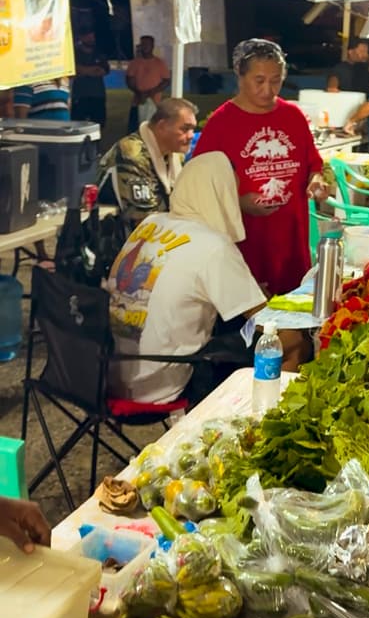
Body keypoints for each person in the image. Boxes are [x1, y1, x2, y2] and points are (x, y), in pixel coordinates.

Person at [107, 152, 267, 404]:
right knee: (283, 342)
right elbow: (264, 320)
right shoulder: (213, 246)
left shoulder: (151, 222)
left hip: (109, 375)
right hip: (162, 383)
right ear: (221, 195)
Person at [193, 38, 329, 297]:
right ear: (239, 76)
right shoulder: (221, 123)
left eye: (276, 80)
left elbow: (313, 163)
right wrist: (239, 202)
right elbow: (199, 186)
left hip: (291, 242)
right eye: (259, 80)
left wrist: (316, 180)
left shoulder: (293, 116)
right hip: (246, 246)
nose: (268, 89)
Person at [97, 97, 198, 227]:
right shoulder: (132, 153)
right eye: (185, 129)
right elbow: (143, 219)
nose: (191, 136)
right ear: (162, 126)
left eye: (193, 129)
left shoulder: (176, 155)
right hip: (118, 239)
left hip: (159, 232)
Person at [125, 35, 171, 133]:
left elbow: (166, 81)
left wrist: (151, 93)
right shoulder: (135, 63)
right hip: (137, 101)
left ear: (152, 46)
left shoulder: (159, 63)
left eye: (147, 44)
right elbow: (129, 80)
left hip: (155, 103)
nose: (145, 47)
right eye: (143, 44)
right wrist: (139, 93)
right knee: (135, 131)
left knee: (153, 131)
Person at [71, 30, 110, 125]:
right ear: (82, 37)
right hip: (80, 95)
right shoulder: (75, 53)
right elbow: (73, 70)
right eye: (89, 37)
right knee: (78, 124)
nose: (91, 40)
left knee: (98, 124)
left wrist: (83, 70)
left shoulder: (99, 53)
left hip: (97, 95)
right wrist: (93, 70)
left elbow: (103, 70)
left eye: (92, 37)